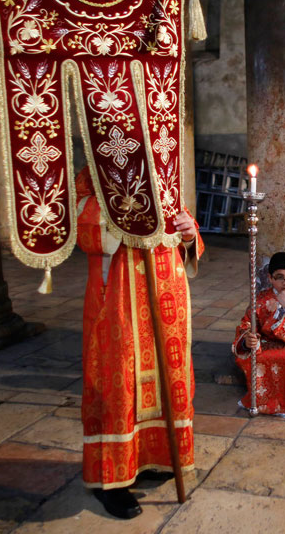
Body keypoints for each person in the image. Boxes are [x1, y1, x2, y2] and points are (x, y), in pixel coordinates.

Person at [75, 167, 203, 519]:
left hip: (165, 294)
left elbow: (182, 218)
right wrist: (121, 217)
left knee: (168, 379)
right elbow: (84, 225)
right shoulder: (94, 171)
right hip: (118, 292)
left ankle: (153, 457)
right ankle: (111, 480)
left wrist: (190, 234)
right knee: (118, 382)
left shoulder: (163, 167)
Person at [233, 251, 285, 418]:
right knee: (256, 356)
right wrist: (247, 340)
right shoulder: (262, 298)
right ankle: (264, 402)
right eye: (279, 277)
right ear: (270, 278)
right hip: (267, 344)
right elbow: (247, 324)